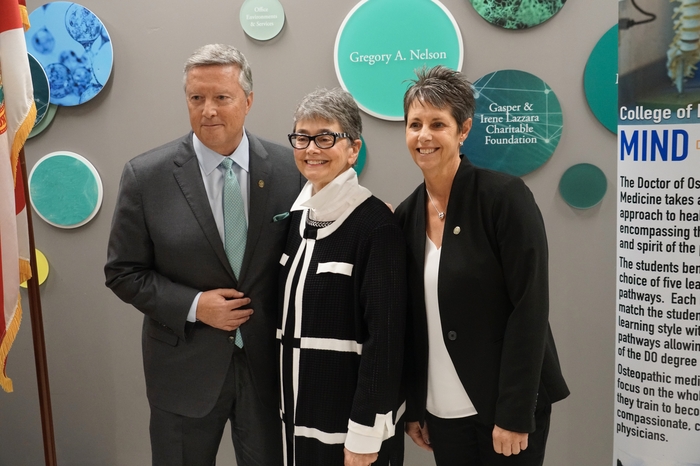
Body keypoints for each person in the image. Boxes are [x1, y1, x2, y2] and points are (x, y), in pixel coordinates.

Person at [104, 44, 303, 466]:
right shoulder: (146, 176)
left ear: (248, 101)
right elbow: (123, 272)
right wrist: (195, 306)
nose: (208, 110)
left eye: (221, 97)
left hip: (270, 371)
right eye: (197, 98)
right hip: (183, 374)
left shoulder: (291, 171)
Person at [395, 65, 570, 466]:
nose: (423, 136)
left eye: (437, 124)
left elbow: (530, 309)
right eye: (414, 124)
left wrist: (513, 413)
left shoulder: (504, 198)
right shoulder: (405, 217)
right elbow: (413, 322)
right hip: (443, 412)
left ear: (463, 130)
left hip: (504, 408)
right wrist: (418, 406)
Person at [278, 88, 406, 466]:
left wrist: (365, 432)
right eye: (302, 137)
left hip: (351, 430)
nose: (311, 149)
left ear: (353, 148)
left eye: (325, 137)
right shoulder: (295, 220)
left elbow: (385, 339)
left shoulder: (376, 226)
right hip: (297, 424)